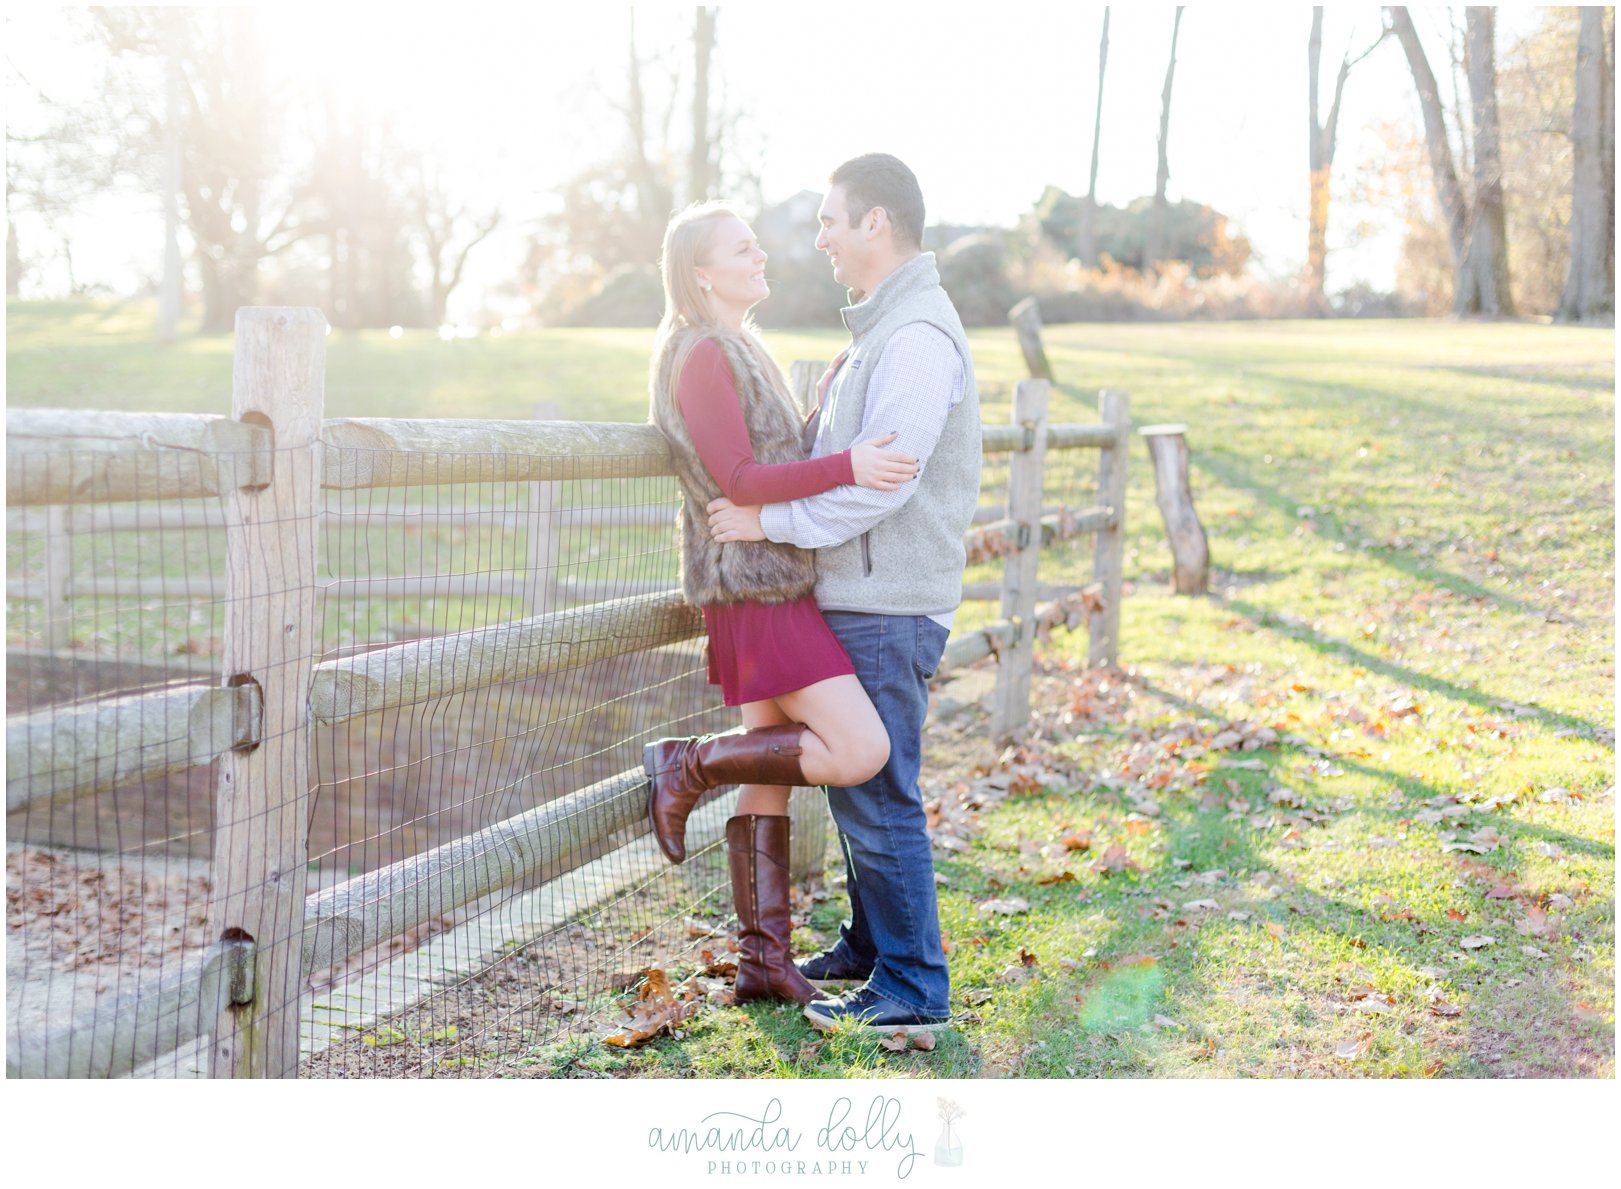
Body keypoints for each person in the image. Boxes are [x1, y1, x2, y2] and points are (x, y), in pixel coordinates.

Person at [706, 154, 982, 1035]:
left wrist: (767, 526)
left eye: (831, 220)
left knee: (879, 789)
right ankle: (869, 946)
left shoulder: (912, 339)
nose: (818, 237)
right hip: (866, 588)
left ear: (876, 224)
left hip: (889, 597)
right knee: (862, 784)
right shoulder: (877, 331)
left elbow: (881, 485)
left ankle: (911, 987)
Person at [643, 199, 922, 1009]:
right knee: (857, 748)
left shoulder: (738, 346)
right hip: (752, 585)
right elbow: (737, 478)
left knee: (768, 764)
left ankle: (762, 959)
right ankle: (685, 762)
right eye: (742, 247)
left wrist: (820, 409)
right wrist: (846, 464)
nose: (760, 254)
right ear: (701, 272)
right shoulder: (698, 353)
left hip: (772, 573)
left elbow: (759, 453)